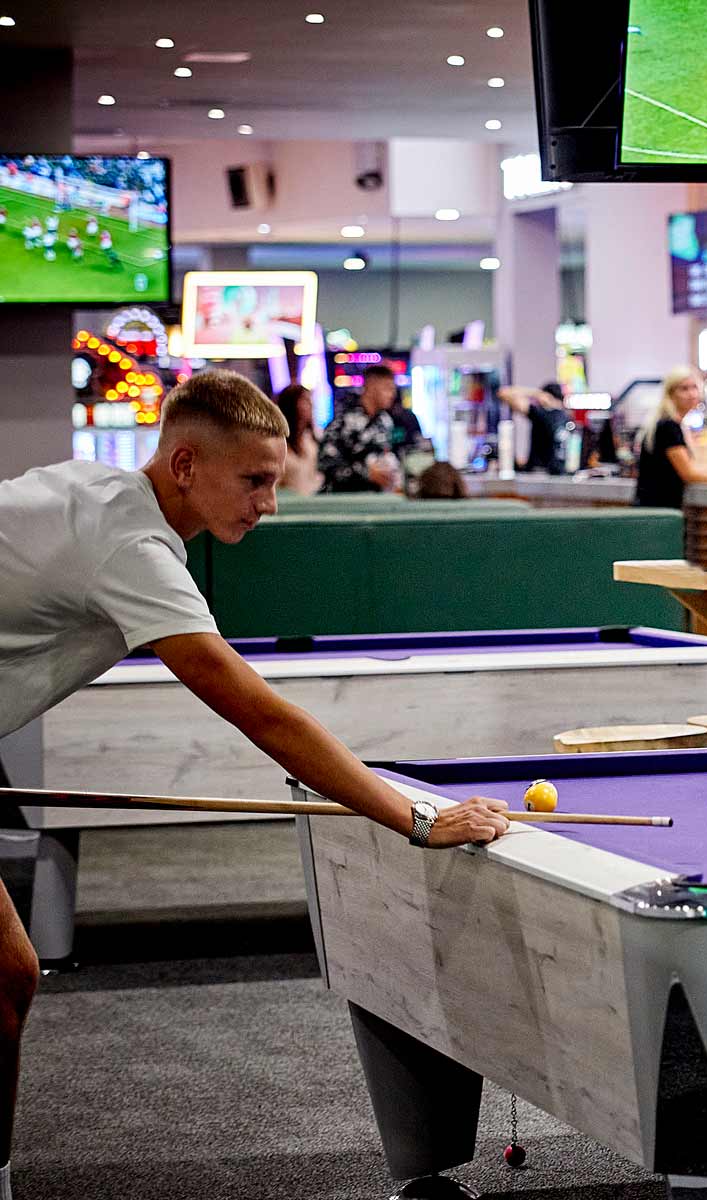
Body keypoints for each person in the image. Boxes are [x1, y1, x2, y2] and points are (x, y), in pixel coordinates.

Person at [0, 370, 511, 1200]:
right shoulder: (131, 546)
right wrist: (416, 819)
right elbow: (262, 716)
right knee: (8, 977)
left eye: (274, 478)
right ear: (186, 463)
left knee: (5, 981)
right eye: (256, 479)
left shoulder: (99, 493)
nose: (270, 501)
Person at [633, 366, 707, 509]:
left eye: (694, 387)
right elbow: (689, 474)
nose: (691, 394)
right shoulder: (668, 426)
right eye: (684, 389)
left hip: (658, 511)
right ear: (671, 393)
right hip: (657, 513)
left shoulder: (673, 424)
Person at [317, 364, 401, 493]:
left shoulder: (385, 421)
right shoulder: (344, 421)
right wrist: (366, 474)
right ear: (372, 387)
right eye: (387, 388)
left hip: (378, 499)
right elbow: (326, 463)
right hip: (344, 500)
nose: (392, 394)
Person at [497, 382, 568, 474]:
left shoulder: (544, 414)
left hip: (540, 473)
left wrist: (536, 393)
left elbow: (504, 393)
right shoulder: (565, 418)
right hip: (558, 473)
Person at [272, 383, 322, 495]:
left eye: (310, 400)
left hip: (314, 500)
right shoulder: (277, 442)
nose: (311, 404)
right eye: (305, 400)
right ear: (291, 404)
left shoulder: (312, 439)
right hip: (289, 503)